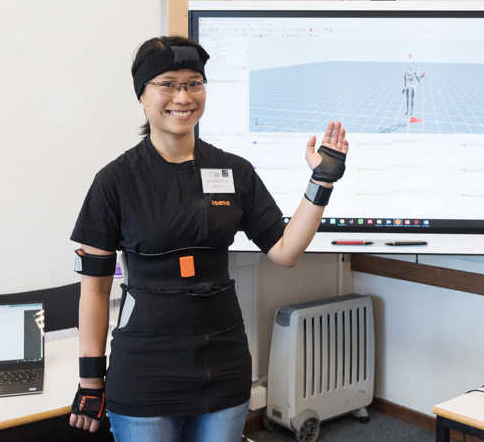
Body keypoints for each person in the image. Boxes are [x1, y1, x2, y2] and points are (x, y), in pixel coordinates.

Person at [66, 36, 349, 442]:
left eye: (193, 83)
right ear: (142, 96)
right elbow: (94, 291)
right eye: (167, 84)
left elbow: (285, 251)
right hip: (145, 372)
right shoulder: (115, 182)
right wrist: (91, 380)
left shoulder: (234, 171)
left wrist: (321, 181)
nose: (182, 96)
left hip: (223, 365)